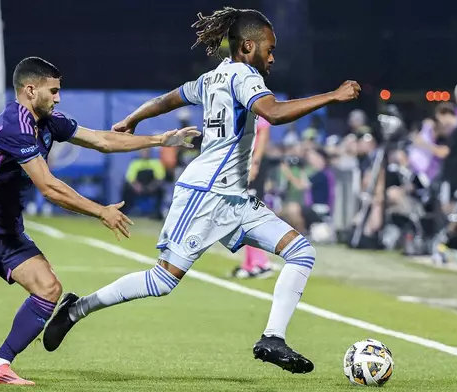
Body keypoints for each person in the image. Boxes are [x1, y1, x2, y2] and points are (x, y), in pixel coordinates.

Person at [43, 7, 360, 374]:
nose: (273, 56)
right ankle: (77, 308)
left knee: (301, 253)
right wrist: (332, 96)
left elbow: (170, 98)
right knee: (161, 281)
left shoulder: (214, 78)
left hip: (235, 199)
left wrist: (135, 117)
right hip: (205, 196)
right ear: (246, 47)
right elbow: (272, 113)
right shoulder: (243, 75)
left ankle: (273, 337)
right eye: (268, 48)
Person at [0, 57, 200, 385]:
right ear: (29, 90)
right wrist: (101, 211)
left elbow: (102, 140)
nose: (58, 97)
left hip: (9, 234)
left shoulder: (49, 120)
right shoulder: (14, 126)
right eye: (52, 91)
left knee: (49, 288)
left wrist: (159, 140)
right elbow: (49, 187)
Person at [232, 116, 274, 279]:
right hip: (241, 161)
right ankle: (250, 264)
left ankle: (262, 263)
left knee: (250, 214)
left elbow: (263, 132)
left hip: (251, 162)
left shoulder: (254, 102)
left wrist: (254, 162)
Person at [121, 148, 166, 219]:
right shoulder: (135, 163)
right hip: (138, 187)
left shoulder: (155, 162)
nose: (145, 153)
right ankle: (124, 211)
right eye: (143, 152)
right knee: (126, 189)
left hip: (151, 187)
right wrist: (136, 186)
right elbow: (130, 177)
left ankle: (156, 212)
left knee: (161, 191)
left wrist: (152, 187)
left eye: (146, 152)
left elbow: (160, 177)